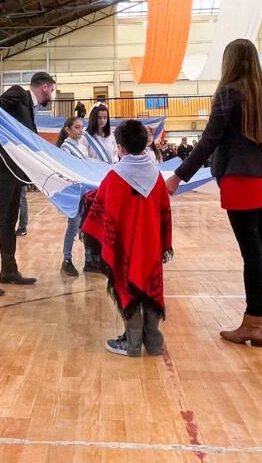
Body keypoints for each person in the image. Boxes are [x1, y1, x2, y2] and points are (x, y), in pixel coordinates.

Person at [165, 40, 262, 347]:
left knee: (253, 253)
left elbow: (209, 141)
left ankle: (253, 321)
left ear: (229, 61)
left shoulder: (229, 92)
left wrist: (178, 176)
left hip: (241, 180)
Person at [83, 120, 173, 357]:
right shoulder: (156, 176)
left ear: (120, 147)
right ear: (144, 145)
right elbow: (165, 214)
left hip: (124, 248)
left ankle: (132, 342)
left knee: (126, 285)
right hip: (151, 248)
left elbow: (100, 210)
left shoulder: (114, 177)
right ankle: (153, 342)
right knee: (151, 288)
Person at [0, 72, 55, 295]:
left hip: (15, 169)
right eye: (53, 90)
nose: (52, 94)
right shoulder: (19, 94)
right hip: (2, 166)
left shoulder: (29, 108)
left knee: (9, 220)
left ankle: (8, 269)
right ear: (45, 87)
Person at [56, 116, 91, 277]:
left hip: (86, 191)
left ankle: (90, 258)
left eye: (81, 127)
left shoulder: (82, 147)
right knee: (73, 226)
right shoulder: (65, 148)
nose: (80, 130)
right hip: (75, 193)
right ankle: (67, 259)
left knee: (86, 226)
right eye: (76, 127)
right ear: (67, 130)